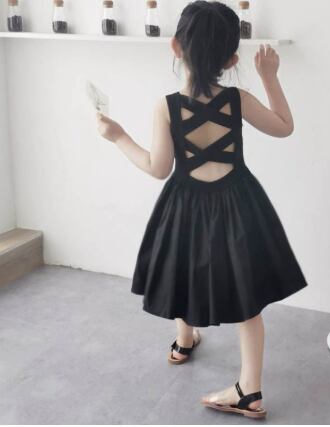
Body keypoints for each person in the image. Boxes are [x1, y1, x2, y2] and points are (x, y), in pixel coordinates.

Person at [96, 0, 308, 419]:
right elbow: (284, 127)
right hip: (239, 202)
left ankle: (185, 340)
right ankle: (249, 388)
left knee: (183, 270)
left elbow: (158, 168)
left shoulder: (167, 106)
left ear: (175, 47)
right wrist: (270, 77)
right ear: (232, 60)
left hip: (186, 204)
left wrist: (119, 136)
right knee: (247, 294)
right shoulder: (238, 99)